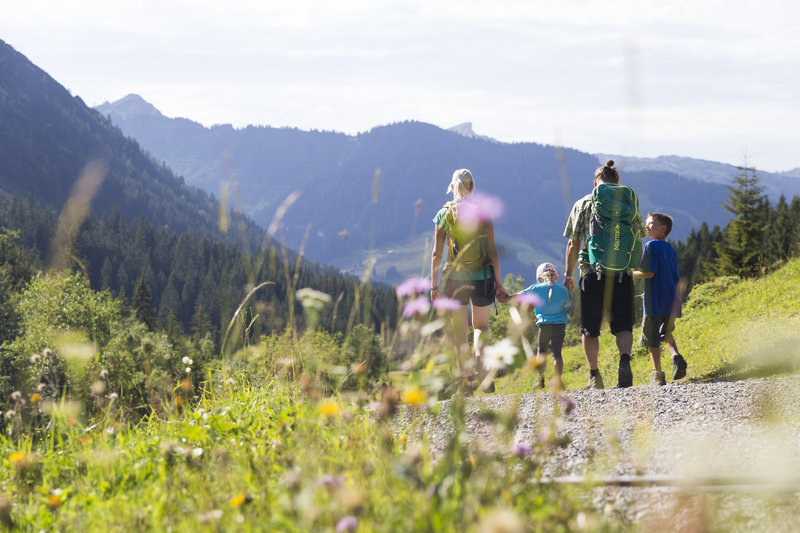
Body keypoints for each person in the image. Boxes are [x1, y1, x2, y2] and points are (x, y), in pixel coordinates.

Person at [563, 160, 645, 389]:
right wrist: (632, 267)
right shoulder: (628, 203)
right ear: (617, 182)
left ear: (595, 183)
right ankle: (625, 362)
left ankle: (594, 375)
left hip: (591, 272)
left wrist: (569, 275)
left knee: (590, 328)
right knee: (623, 324)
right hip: (622, 272)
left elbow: (573, 243)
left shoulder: (583, 203)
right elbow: (638, 238)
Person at [431, 168, 507, 391]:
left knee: (459, 332)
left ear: (452, 187)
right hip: (482, 276)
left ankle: (465, 380)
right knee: (481, 327)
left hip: (455, 279)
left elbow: (436, 254)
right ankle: (482, 367)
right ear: (472, 186)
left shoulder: (444, 213)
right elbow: (492, 251)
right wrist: (499, 283)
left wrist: (434, 285)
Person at [633, 212, 688, 385]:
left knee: (652, 339)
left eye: (650, 223)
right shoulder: (669, 248)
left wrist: (630, 272)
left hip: (654, 302)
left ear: (663, 228)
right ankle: (676, 357)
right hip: (671, 298)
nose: (646, 226)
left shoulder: (651, 246)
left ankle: (658, 375)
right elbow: (666, 274)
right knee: (667, 333)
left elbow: (649, 273)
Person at [507, 262, 571, 391]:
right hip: (559, 326)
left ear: (540, 278)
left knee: (541, 352)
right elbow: (567, 306)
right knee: (557, 354)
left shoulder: (535, 288)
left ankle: (539, 379)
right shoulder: (563, 290)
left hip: (544, 326)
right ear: (556, 277)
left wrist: (506, 298)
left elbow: (519, 295)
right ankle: (558, 380)